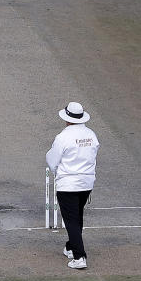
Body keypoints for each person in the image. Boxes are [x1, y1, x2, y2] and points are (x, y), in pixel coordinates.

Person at [46, 102, 100, 269]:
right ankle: (71, 247)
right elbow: (93, 155)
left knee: (71, 220)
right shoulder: (91, 135)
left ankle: (79, 257)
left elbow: (52, 161)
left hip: (68, 184)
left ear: (67, 119)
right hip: (86, 183)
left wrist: (59, 172)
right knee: (77, 216)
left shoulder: (63, 137)